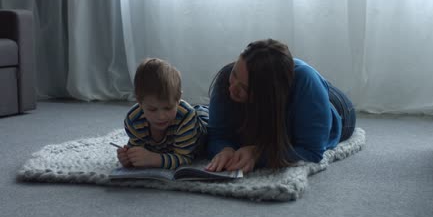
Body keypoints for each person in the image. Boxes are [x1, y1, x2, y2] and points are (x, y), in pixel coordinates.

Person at [205, 39, 356, 174]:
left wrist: (258, 154)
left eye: (245, 88)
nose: (232, 88)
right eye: (235, 74)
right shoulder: (226, 79)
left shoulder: (306, 84)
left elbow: (312, 151)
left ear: (269, 94)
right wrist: (224, 149)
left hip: (334, 106)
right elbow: (217, 134)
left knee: (312, 91)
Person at [116, 58, 208, 169]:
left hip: (203, 126)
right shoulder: (134, 119)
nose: (161, 116)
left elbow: (185, 158)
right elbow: (139, 150)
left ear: (178, 99)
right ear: (139, 102)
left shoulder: (186, 118)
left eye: (168, 108)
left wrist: (154, 159)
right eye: (152, 109)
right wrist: (129, 158)